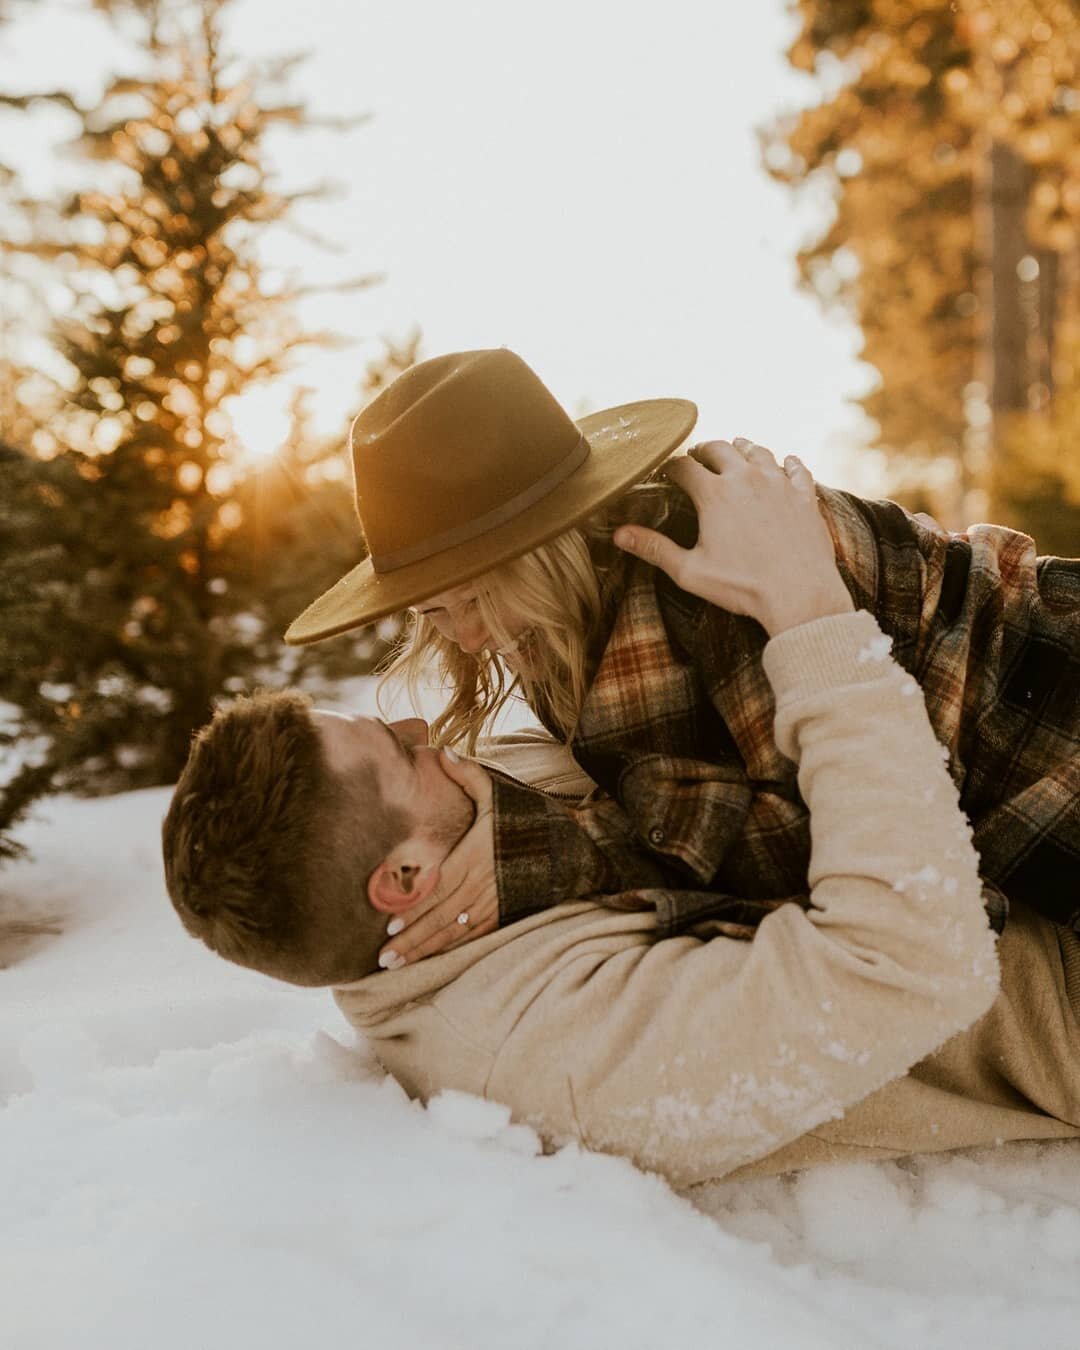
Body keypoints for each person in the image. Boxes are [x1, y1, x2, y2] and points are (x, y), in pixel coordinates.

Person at [162, 446, 1080, 1188]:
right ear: (403, 879)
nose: (421, 725)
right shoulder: (553, 1045)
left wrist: (809, 592)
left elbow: (666, 805)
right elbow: (901, 942)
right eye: (400, 753)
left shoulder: (458, 843)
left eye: (462, 600)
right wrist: (808, 613)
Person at [282, 348, 1079, 972]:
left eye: (477, 599)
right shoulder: (555, 624)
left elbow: (830, 832)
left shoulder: (706, 561)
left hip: (1048, 720)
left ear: (548, 550)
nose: (463, 637)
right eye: (434, 612)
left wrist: (549, 852)